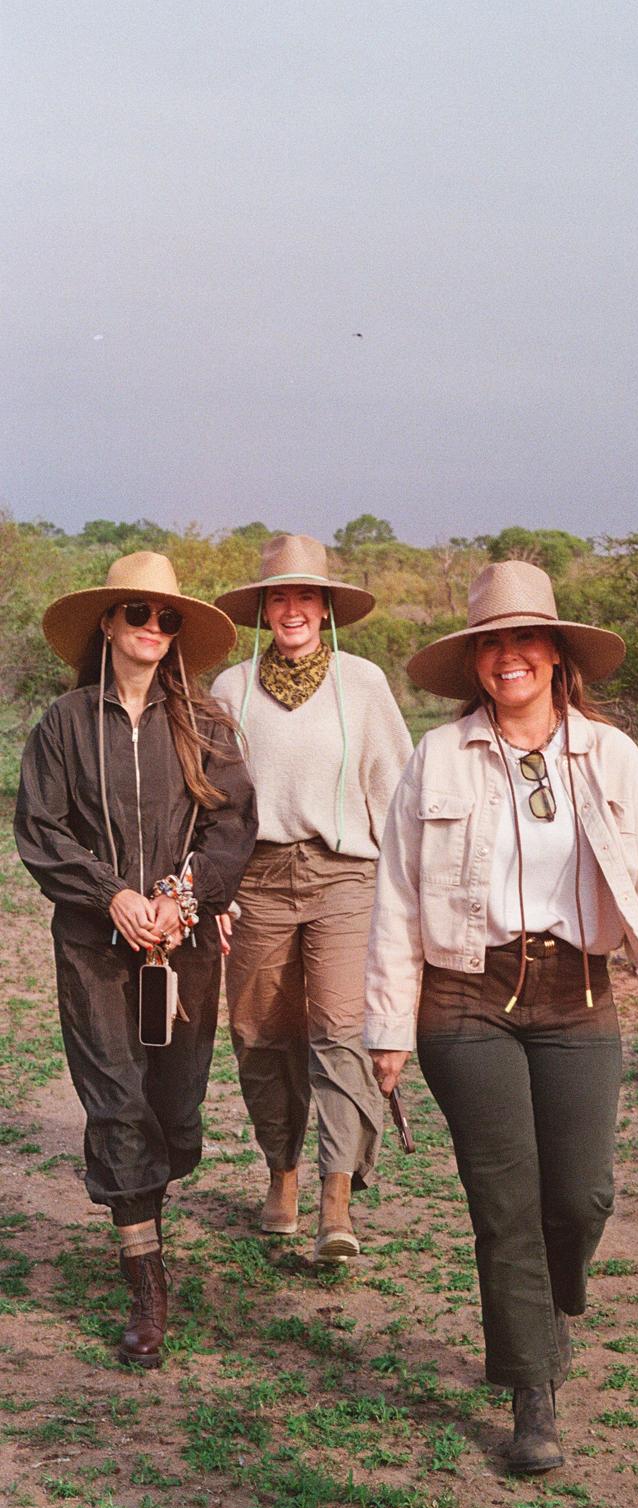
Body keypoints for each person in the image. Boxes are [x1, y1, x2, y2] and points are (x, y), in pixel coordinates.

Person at [364, 559, 638, 1474]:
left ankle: (551, 1305)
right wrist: (388, 1028)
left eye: (525, 639)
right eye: (491, 643)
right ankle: (532, 1392)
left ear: (555, 654)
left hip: (578, 994)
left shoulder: (612, 756)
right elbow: (396, 898)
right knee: (504, 1200)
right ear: (475, 662)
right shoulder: (438, 757)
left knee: (581, 1196)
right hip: (466, 995)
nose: (508, 656)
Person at [15, 551, 256, 1369]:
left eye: (167, 617)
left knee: (174, 1112)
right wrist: (111, 894)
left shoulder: (207, 723)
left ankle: (149, 1190)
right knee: (117, 1103)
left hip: (183, 949)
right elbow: (41, 828)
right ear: (108, 623)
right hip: (95, 947)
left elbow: (233, 827)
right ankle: (146, 1283)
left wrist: (185, 898)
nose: (153, 627)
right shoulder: (63, 723)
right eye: (138, 613)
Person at [212, 534, 411, 1261]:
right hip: (257, 879)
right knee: (259, 1033)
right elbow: (213, 800)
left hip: (344, 873)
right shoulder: (230, 689)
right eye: (279, 597)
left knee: (340, 1030)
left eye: (305, 596)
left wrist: (405, 896)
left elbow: (396, 790)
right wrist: (215, 888)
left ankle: (337, 1195)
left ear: (325, 607)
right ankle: (282, 1170)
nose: (292, 610)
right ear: (263, 609)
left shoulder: (363, 683)